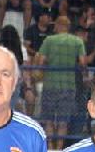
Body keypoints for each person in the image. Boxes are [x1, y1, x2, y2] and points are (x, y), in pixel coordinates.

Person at [35, 15, 86, 145]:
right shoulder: (77, 41)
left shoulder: (49, 40)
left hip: (50, 84)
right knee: (63, 121)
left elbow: (40, 61)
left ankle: (50, 146)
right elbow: (83, 62)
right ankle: (59, 148)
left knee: (49, 119)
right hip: (69, 85)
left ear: (57, 25)